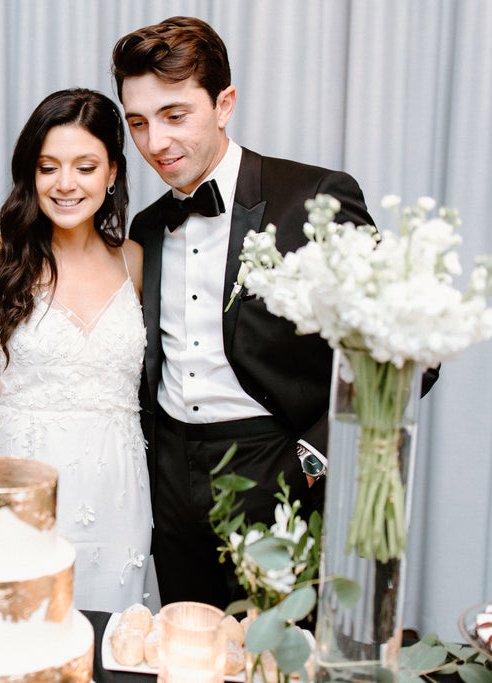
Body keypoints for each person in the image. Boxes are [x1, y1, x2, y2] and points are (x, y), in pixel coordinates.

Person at [111, 16, 438, 609]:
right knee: (190, 651)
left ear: (224, 103)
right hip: (167, 480)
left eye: (175, 115)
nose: (155, 142)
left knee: (277, 660)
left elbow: (411, 340)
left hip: (275, 466)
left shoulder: (313, 199)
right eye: (138, 122)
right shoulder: (148, 227)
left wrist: (314, 457)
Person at [0, 88, 158, 612]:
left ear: (111, 174)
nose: (65, 185)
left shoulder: (137, 260)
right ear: (30, 173)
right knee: (13, 639)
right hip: (22, 487)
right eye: (48, 167)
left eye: (85, 167)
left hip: (119, 495)